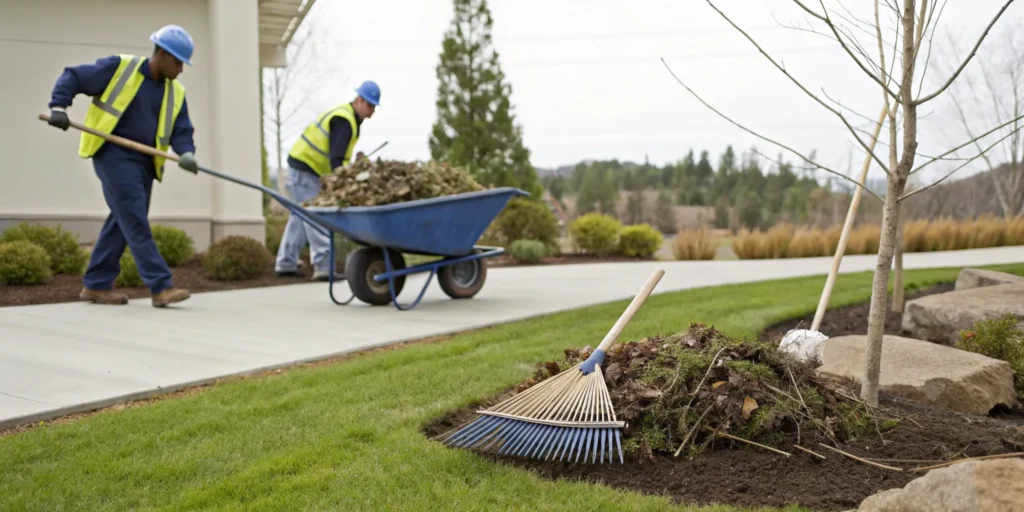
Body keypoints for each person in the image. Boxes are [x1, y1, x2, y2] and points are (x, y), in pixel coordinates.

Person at [46, 25, 199, 308]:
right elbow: (74, 76)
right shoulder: (121, 68)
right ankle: (161, 286)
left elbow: (181, 129)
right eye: (178, 61)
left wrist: (187, 152)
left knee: (122, 220)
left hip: (145, 163)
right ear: (163, 55)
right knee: (135, 220)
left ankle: (96, 285)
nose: (181, 69)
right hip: (112, 155)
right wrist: (59, 106)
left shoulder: (175, 92)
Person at [275, 81, 380, 281]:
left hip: (304, 167)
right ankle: (323, 266)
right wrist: (341, 182)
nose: (372, 111)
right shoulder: (344, 120)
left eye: (374, 107)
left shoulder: (348, 118)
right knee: (315, 216)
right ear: (358, 100)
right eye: (370, 105)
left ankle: (286, 263)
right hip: (306, 168)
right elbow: (335, 159)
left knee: (300, 216)